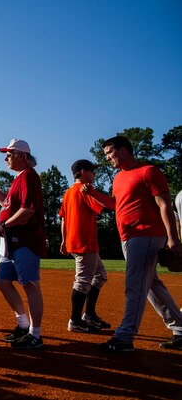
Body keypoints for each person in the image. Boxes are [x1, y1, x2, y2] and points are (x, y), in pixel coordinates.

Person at [83, 136, 182, 351]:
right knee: (152, 286)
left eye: (110, 152)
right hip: (128, 238)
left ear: (124, 150)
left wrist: (173, 238)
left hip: (146, 234)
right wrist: (93, 193)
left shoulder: (149, 171)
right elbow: (115, 205)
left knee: (135, 286)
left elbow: (164, 205)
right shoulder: (118, 178)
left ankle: (125, 337)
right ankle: (180, 327)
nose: (107, 157)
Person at [0, 139, 46, 349]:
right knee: (2, 281)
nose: (6, 158)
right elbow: (7, 204)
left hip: (25, 240)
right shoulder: (19, 179)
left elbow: (28, 211)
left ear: (22, 156)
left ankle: (35, 335)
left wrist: (5, 224)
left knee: (30, 285)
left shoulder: (29, 176)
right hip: (11, 241)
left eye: (9, 154)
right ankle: (23, 324)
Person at [59, 159, 111, 333]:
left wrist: (64, 240)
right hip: (84, 243)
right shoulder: (84, 190)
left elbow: (64, 219)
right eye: (91, 170)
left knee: (100, 275)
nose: (94, 174)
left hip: (76, 242)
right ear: (83, 172)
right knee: (82, 282)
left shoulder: (68, 193)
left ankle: (89, 315)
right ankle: (74, 321)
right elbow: (106, 206)